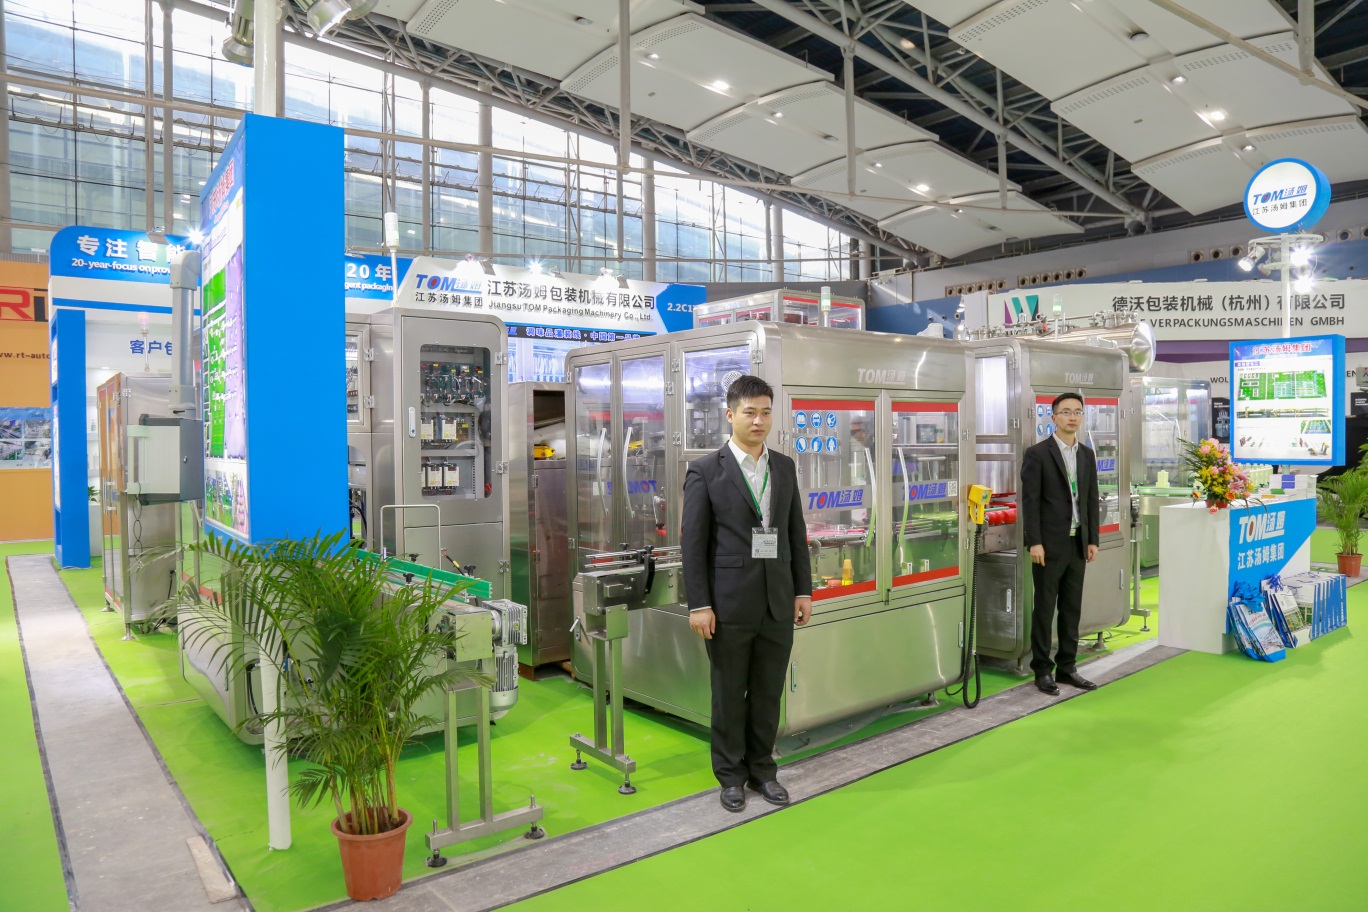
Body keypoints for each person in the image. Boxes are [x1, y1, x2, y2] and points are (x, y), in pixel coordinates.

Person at [681, 374, 812, 812]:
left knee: (768, 691)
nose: (759, 421)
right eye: (750, 412)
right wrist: (700, 604)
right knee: (729, 693)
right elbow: (693, 544)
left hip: (777, 601)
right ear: (730, 415)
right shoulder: (705, 471)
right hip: (728, 604)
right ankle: (730, 776)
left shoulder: (784, 466)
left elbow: (794, 533)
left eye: (765, 412)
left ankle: (763, 770)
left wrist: (803, 591)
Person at [1020, 392, 1101, 696]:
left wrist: (1092, 539)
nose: (1072, 417)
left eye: (1077, 412)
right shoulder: (1038, 454)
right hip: (1049, 545)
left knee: (1071, 608)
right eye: (1066, 411)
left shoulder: (1086, 454)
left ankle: (1067, 667)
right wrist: (1034, 542)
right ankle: (1042, 670)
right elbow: (1030, 502)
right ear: (1053, 417)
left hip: (1078, 543)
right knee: (1044, 609)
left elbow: (1090, 499)